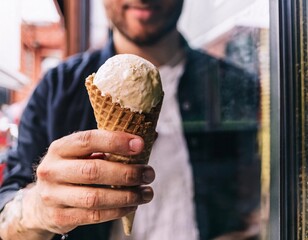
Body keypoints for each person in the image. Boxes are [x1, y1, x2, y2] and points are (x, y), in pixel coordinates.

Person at [0, 0, 260, 239]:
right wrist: (36, 209)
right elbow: (5, 216)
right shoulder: (56, 88)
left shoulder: (235, 88)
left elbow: (263, 196)